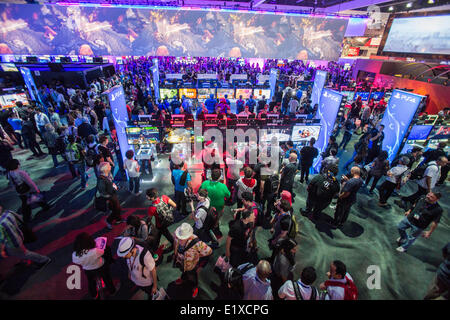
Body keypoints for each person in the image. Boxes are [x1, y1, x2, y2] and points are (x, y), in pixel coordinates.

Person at [0, 204, 51, 269]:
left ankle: (44, 260)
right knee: (20, 252)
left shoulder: (0, 225)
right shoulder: (8, 212)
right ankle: (22, 260)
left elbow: (1, 240)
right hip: (19, 235)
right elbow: (20, 218)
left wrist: (1, 251)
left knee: (24, 253)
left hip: (13, 243)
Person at [72, 232, 117, 299]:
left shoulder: (75, 255)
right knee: (107, 278)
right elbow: (102, 252)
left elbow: (76, 261)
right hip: (100, 266)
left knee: (91, 282)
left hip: (88, 270)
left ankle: (94, 295)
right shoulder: (94, 251)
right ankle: (112, 291)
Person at [173, 223, 213, 298]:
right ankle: (183, 279)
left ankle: (195, 287)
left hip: (193, 265)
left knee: (193, 277)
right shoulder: (177, 235)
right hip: (182, 263)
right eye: (179, 238)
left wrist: (198, 258)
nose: (180, 240)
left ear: (188, 237)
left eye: (182, 239)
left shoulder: (197, 243)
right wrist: (176, 254)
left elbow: (209, 251)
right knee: (184, 272)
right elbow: (175, 241)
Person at [6, 159, 50, 225]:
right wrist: (36, 189)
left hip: (20, 191)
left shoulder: (9, 173)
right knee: (34, 199)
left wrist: (17, 192)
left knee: (26, 203)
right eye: (18, 163)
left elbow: (12, 184)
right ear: (16, 165)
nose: (19, 165)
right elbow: (30, 182)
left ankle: (28, 217)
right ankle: (44, 208)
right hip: (28, 190)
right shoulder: (21, 172)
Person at [200, 168, 230, 237]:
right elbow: (228, 195)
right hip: (218, 207)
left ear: (211, 175)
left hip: (207, 206)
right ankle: (215, 224)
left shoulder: (205, 183)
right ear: (220, 177)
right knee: (217, 216)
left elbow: (200, 192)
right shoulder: (223, 186)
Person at [146, 188, 176, 253]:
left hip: (160, 224)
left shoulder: (152, 208)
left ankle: (155, 250)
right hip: (168, 220)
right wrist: (168, 212)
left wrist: (146, 223)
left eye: (147, 196)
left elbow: (149, 219)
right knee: (162, 234)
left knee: (162, 234)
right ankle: (156, 247)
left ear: (152, 198)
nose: (146, 197)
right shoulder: (164, 197)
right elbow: (174, 205)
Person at [97, 162, 122, 229]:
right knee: (116, 209)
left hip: (112, 195)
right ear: (105, 169)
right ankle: (108, 221)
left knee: (117, 208)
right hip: (110, 197)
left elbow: (109, 184)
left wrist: (113, 186)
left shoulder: (107, 175)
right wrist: (114, 189)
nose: (110, 167)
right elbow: (102, 191)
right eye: (109, 166)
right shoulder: (102, 179)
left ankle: (118, 220)